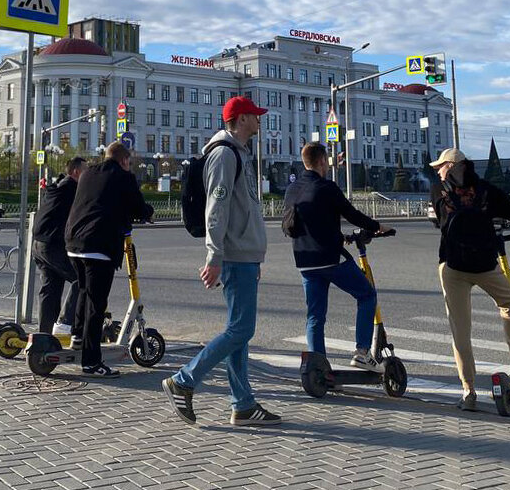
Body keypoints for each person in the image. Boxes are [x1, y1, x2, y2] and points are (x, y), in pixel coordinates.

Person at [162, 96, 280, 427]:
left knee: (238, 332)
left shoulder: (239, 153)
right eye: (255, 116)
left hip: (244, 254)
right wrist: (214, 256)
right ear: (241, 119)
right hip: (233, 255)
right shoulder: (224, 155)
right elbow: (217, 209)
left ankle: (242, 405)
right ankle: (183, 380)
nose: (259, 120)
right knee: (241, 329)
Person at [430, 147, 510, 412]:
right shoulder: (486, 190)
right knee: (509, 302)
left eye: (441, 166)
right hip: (485, 263)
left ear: (455, 166)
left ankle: (468, 391)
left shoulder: (439, 193)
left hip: (453, 267)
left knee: (460, 330)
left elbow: (441, 220)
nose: (438, 171)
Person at [283, 142, 388, 370]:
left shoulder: (291, 190)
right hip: (330, 259)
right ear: (322, 161)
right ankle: (362, 352)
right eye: (327, 161)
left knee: (315, 316)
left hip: (305, 262)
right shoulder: (326, 187)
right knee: (367, 294)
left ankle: (317, 367)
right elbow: (352, 215)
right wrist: (377, 226)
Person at [65, 142, 153, 378]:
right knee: (97, 304)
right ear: (124, 160)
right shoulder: (124, 178)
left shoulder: (88, 173)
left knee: (84, 292)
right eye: (129, 161)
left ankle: (77, 337)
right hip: (98, 246)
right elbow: (138, 207)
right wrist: (148, 213)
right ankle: (91, 362)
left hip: (74, 242)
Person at [31, 156, 86, 337]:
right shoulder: (72, 189)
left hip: (39, 244)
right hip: (52, 244)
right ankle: (64, 324)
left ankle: (45, 336)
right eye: (85, 171)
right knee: (83, 279)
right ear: (76, 172)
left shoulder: (59, 187)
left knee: (50, 288)